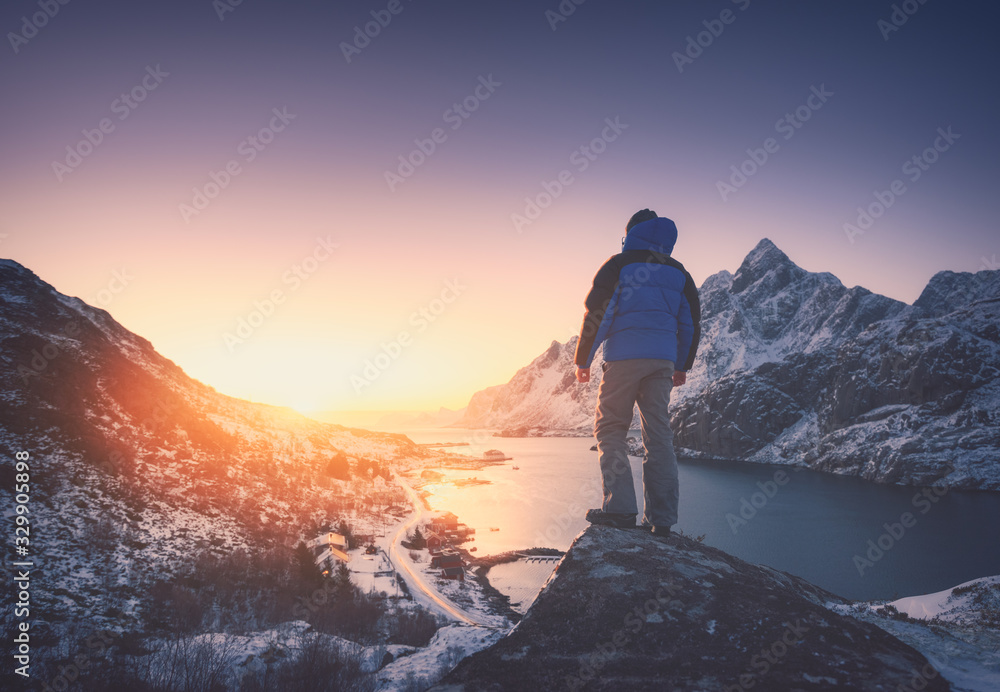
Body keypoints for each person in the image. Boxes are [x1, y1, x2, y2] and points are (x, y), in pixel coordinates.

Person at [574, 209, 701, 536]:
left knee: (610, 429)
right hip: (662, 363)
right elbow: (689, 324)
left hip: (623, 361)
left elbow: (598, 315)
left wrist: (583, 359)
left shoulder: (619, 264)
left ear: (631, 232)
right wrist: (682, 366)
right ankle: (662, 519)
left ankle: (619, 511)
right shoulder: (680, 273)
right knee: (658, 435)